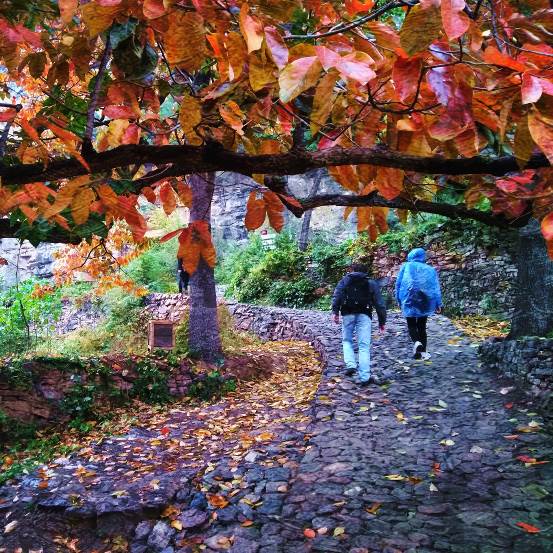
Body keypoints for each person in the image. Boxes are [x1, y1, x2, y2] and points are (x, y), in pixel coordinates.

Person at [332, 263, 387, 386]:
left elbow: (337, 295)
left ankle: (351, 364)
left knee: (347, 340)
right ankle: (364, 376)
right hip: (364, 314)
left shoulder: (344, 281)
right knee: (364, 345)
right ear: (365, 272)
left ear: (352, 270)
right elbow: (379, 304)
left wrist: (335, 312)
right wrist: (382, 321)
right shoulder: (371, 283)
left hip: (347, 314)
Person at [395, 248, 442, 360]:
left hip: (409, 298)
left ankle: (416, 343)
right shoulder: (430, 270)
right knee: (422, 326)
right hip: (425, 300)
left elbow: (398, 284)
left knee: (411, 323)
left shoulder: (406, 266)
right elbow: (435, 287)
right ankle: (423, 353)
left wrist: (398, 299)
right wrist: (438, 303)